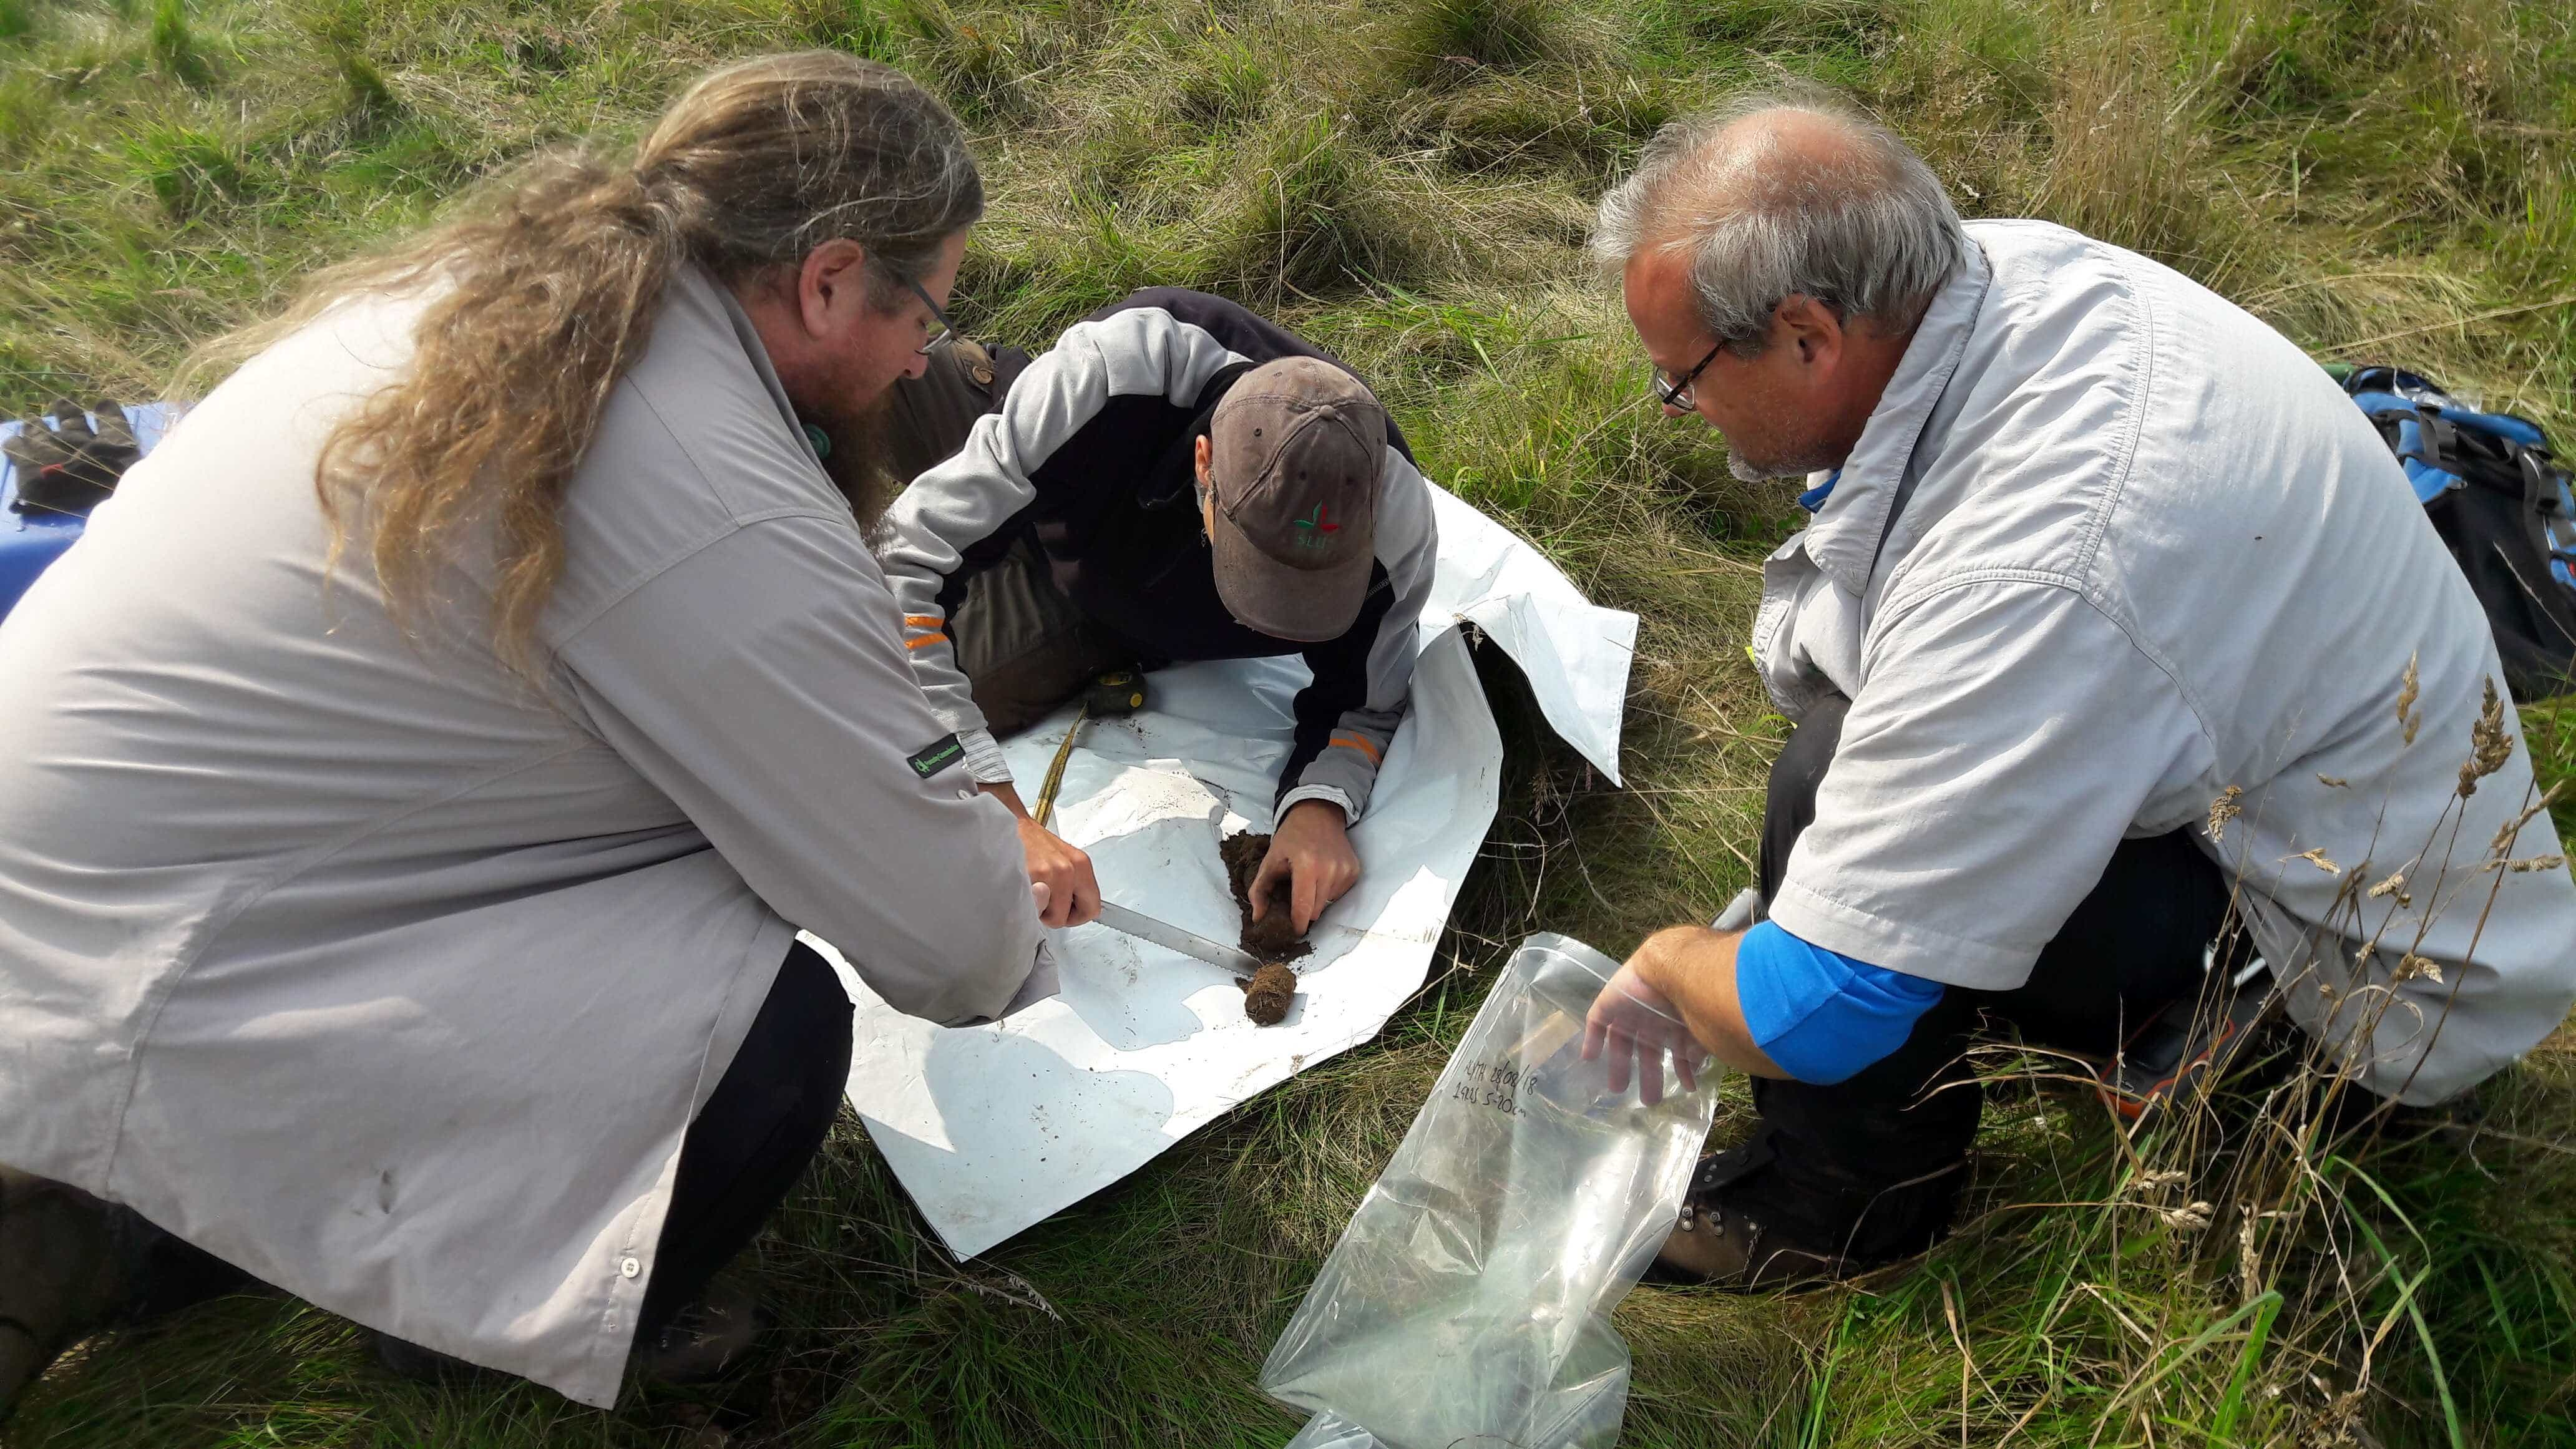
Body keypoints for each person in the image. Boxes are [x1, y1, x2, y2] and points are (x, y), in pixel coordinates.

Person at [0, 52, 1048, 1416]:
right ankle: (433, 1328)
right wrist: (997, 870)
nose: (925, 356)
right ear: (831, 277)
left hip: (84, 880)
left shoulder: (506, 297)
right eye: (925, 309)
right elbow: (954, 948)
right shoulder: (714, 494)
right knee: (769, 1032)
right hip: (155, 955)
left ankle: (110, 1218)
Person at [1576, 90, 2576, 1289]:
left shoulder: (2034, 565)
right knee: (1864, 797)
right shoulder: (2001, 275)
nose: (1678, 411)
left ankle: (1841, 1209)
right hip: (2350, 821)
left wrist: (1673, 962)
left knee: (1827, 787)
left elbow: (1813, 1010)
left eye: (1678, 377)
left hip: (2369, 997)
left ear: (1804, 333)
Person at [874, 289, 1440, 937]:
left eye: (1307, 593)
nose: (1270, 615)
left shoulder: (1396, 531)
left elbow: (1367, 702)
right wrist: (992, 804)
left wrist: (1320, 805)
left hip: (1093, 600)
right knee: (857, 361)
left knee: (911, 703)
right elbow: (904, 563)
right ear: (1204, 466)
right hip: (1047, 473)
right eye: (1256, 573)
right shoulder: (1111, 379)